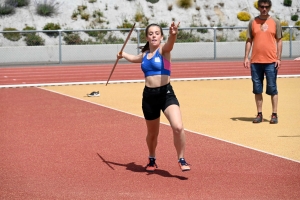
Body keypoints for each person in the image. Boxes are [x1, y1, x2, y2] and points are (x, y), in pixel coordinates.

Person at [116, 22, 190, 172]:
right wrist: (122, 54)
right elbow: (134, 58)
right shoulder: (144, 55)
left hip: (166, 94)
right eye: (151, 33)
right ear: (147, 37)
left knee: (178, 127)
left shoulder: (164, 50)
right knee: (152, 134)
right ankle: (151, 158)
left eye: (157, 33)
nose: (154, 35)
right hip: (149, 97)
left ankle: (181, 158)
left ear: (161, 36)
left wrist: (173, 34)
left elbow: (170, 43)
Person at [243, 0, 282, 124]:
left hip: (271, 61)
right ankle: (259, 114)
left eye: (266, 7)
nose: (264, 9)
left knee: (272, 88)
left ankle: (274, 114)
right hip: (255, 62)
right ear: (258, 7)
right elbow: (249, 40)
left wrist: (279, 58)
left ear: (269, 7)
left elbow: (279, 40)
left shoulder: (275, 22)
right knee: (257, 88)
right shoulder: (252, 22)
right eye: (262, 7)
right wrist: (246, 57)